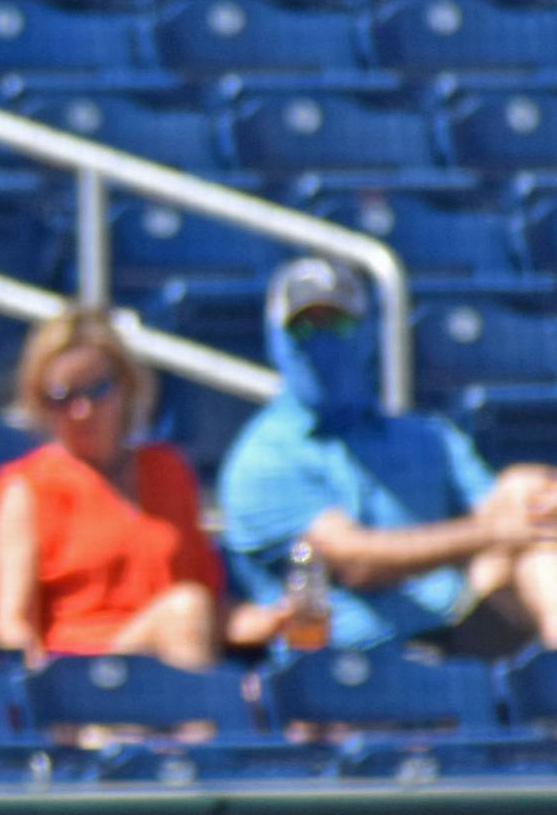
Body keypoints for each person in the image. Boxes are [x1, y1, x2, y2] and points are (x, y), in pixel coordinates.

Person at [221, 257, 557, 654]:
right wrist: (496, 531)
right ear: (277, 339)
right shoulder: (263, 457)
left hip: (455, 633)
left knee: (530, 509)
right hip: (344, 670)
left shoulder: (426, 436)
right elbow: (355, 560)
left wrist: (539, 499)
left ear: (366, 334)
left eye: (338, 324)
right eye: (305, 326)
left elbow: (510, 511)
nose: (323, 341)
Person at [0, 305, 288, 670]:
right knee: (184, 611)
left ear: (125, 387)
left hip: (173, 655)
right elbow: (12, 626)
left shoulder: (168, 470)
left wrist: (278, 621)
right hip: (83, 683)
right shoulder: (24, 488)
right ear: (41, 403)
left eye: (97, 391)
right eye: (63, 397)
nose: (82, 411)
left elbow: (207, 609)